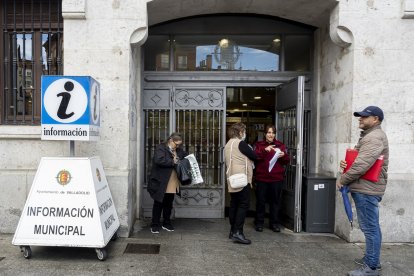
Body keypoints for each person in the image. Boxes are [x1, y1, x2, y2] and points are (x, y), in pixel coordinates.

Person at [337, 106, 389, 276]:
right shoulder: (369, 136)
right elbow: (358, 161)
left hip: (367, 189)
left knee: (370, 228)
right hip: (365, 187)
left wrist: (343, 179)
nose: (360, 119)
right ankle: (372, 259)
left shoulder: (374, 138)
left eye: (364, 117)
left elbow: (361, 165)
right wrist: (345, 165)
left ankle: (371, 267)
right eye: (360, 116)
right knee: (371, 227)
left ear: (376, 119)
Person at [147, 132, 188, 234]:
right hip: (161, 181)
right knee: (158, 203)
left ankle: (166, 223)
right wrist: (172, 161)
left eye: (179, 144)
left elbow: (185, 157)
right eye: (176, 144)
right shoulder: (161, 148)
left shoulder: (178, 150)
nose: (178, 146)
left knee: (169, 203)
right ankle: (155, 224)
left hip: (173, 181)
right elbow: (158, 160)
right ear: (170, 140)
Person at [224, 123, 256, 245]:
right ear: (240, 132)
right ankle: (238, 232)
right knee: (243, 204)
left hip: (232, 177)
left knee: (234, 204)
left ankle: (232, 231)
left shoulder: (228, 144)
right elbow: (254, 155)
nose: (245, 133)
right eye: (244, 131)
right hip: (241, 178)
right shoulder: (240, 143)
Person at [253, 125, 289, 233]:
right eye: (268, 132)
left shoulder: (280, 145)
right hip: (262, 178)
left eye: (273, 132)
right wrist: (265, 150)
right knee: (261, 202)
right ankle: (259, 223)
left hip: (276, 179)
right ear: (265, 134)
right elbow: (255, 157)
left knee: (275, 202)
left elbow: (286, 161)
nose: (271, 135)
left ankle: (274, 223)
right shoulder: (259, 145)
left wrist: (284, 156)